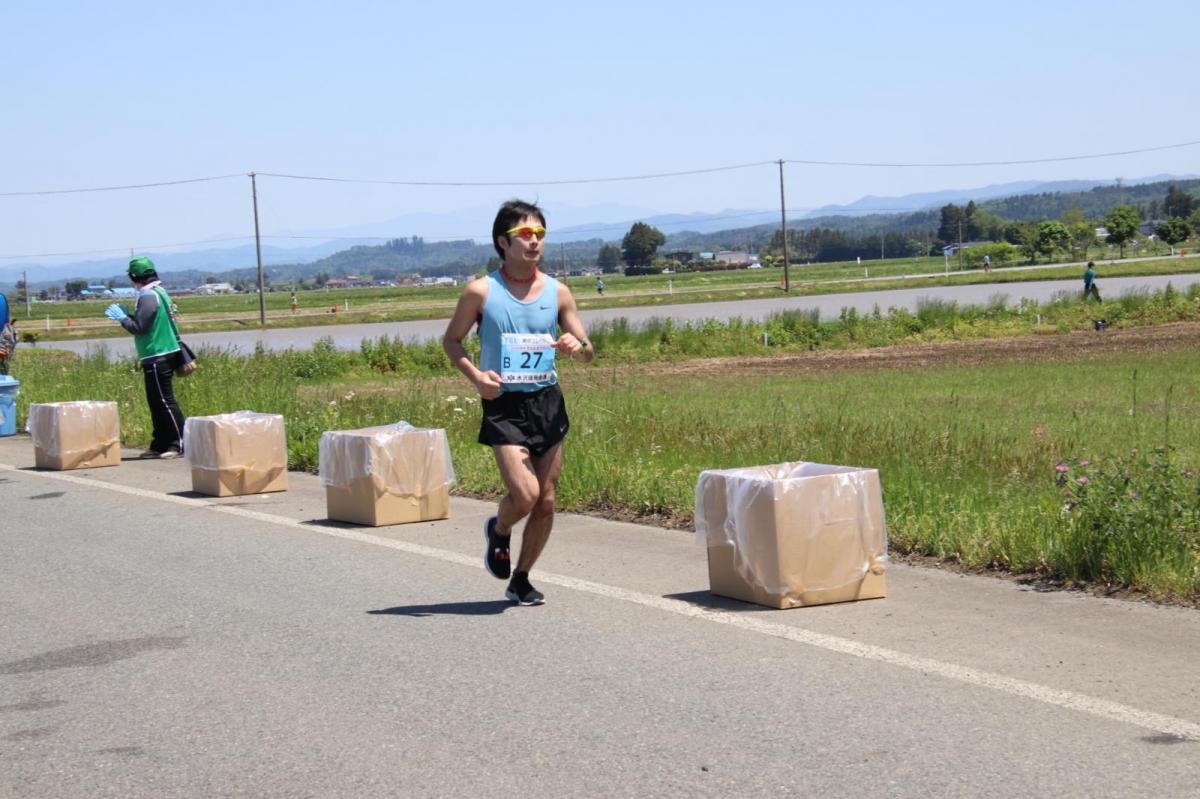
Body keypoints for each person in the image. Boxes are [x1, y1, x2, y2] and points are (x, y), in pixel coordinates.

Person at [443, 200, 594, 606]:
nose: (534, 242)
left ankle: (521, 578)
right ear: (502, 242)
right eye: (524, 235)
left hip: (547, 401)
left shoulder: (559, 292)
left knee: (546, 500)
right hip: (504, 402)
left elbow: (588, 348)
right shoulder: (480, 291)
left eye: (539, 234)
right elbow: (452, 341)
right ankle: (500, 529)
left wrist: (576, 346)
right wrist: (476, 376)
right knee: (524, 495)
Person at [103, 256, 187, 458]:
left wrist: (123, 319)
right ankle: (160, 444)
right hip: (160, 353)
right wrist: (130, 316)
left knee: (165, 401)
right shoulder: (160, 292)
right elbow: (148, 323)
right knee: (156, 402)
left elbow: (139, 328)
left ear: (135, 277)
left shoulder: (148, 296)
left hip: (159, 354)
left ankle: (179, 443)